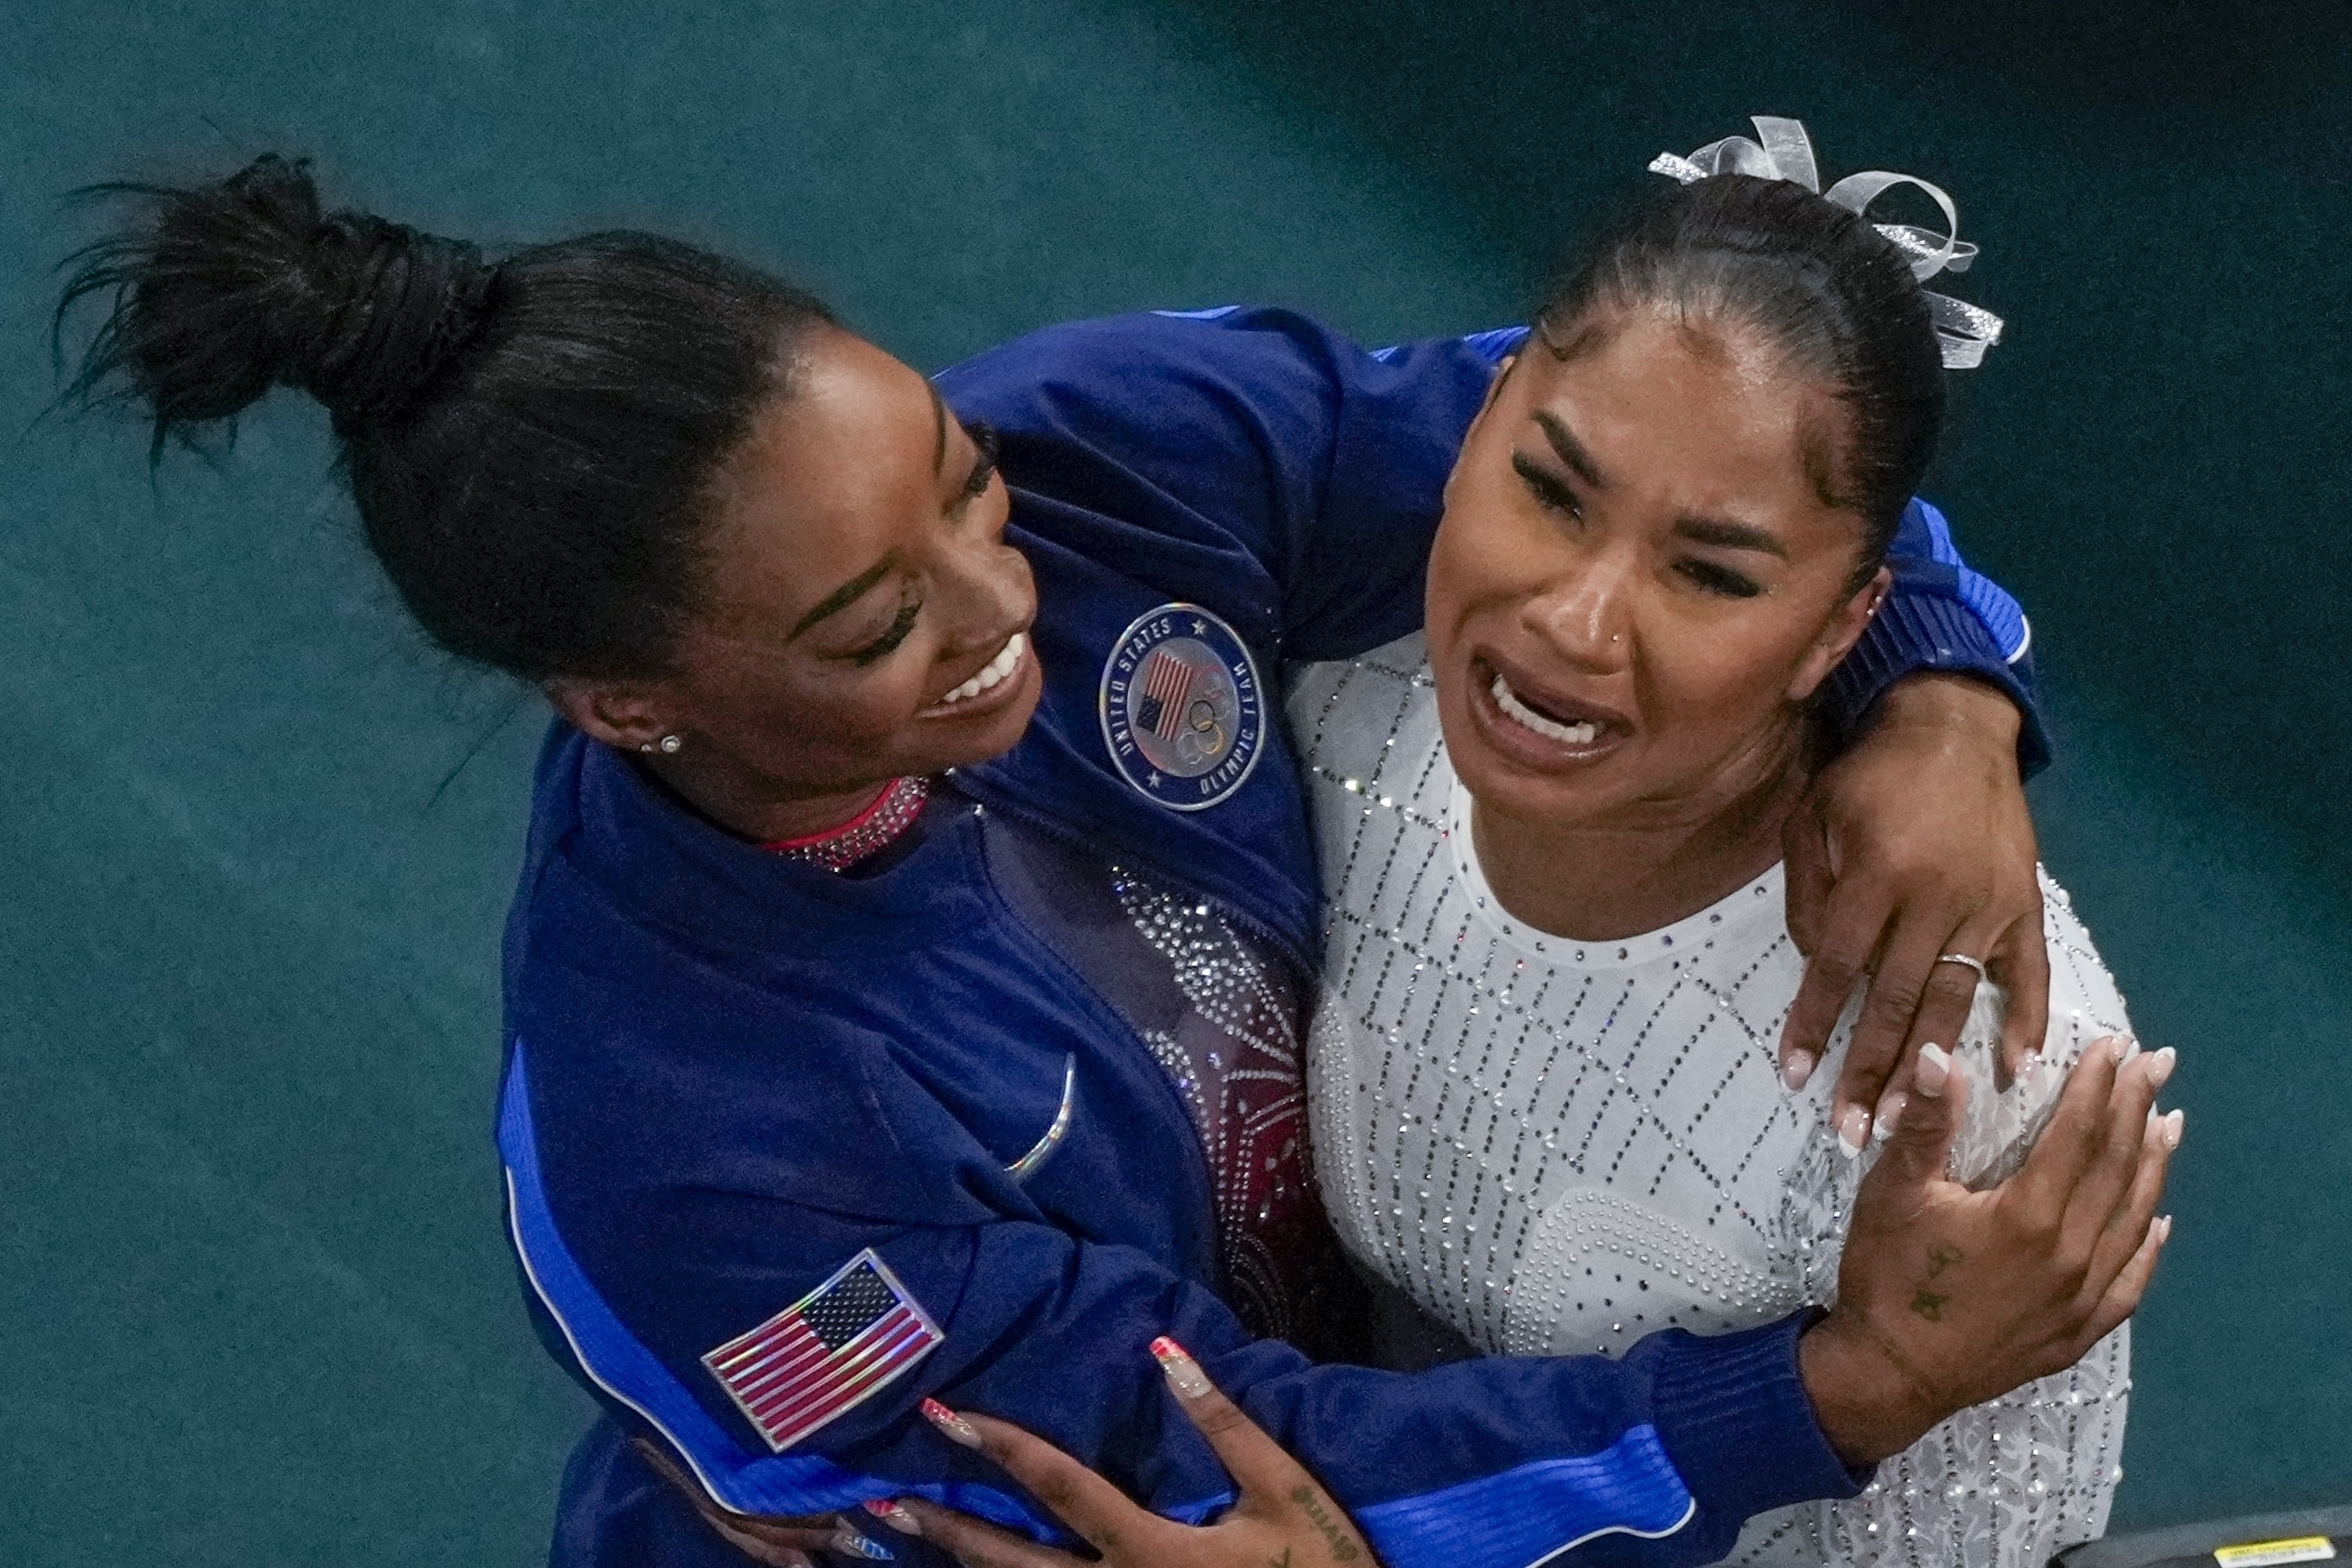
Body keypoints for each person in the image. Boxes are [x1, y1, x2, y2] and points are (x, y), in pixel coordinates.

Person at [58, 149, 2170, 1568]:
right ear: (626, 700)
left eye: (960, 492)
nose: (1000, 605)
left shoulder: (1110, 449)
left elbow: (1630, 454)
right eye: (872, 628)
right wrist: (1837, 1393)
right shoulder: (700, 1140)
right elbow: (1245, 1478)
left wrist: (1934, 683)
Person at [1283, 123, 2160, 1566]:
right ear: (1484, 410)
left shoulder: (1967, 1053)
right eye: (1549, 493)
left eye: (1706, 573)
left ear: (1838, 625)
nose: (1574, 624)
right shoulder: (1336, 699)